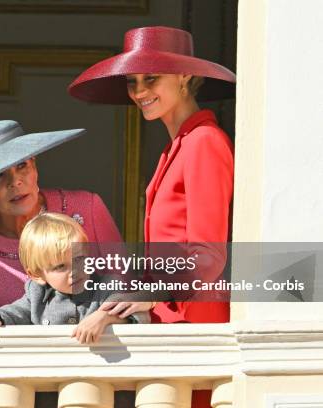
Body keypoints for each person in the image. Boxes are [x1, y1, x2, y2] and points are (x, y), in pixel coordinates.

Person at [69, 26, 235, 408]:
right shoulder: (177, 147)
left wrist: (146, 294)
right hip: (170, 325)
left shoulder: (204, 142)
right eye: (132, 82)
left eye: (151, 79)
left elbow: (208, 257)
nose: (140, 92)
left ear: (186, 77)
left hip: (196, 326)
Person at [0, 119, 149, 322]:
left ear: (35, 165)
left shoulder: (88, 207)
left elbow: (128, 291)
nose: (15, 181)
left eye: (22, 165)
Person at [0, 213, 150, 345]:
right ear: (36, 275)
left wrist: (104, 317)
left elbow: (139, 314)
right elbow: (13, 313)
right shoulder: (36, 294)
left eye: (79, 259)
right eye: (60, 267)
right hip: (50, 382)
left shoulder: (106, 286)